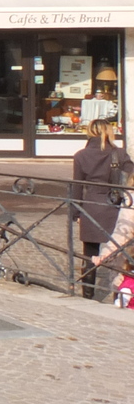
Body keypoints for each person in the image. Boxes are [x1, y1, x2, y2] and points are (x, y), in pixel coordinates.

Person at [72, 119, 132, 300]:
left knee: (89, 254)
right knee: (118, 254)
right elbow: (132, 173)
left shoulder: (80, 155)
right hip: (113, 207)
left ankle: (87, 295)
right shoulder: (118, 153)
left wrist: (76, 213)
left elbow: (76, 187)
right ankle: (119, 296)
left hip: (90, 207)